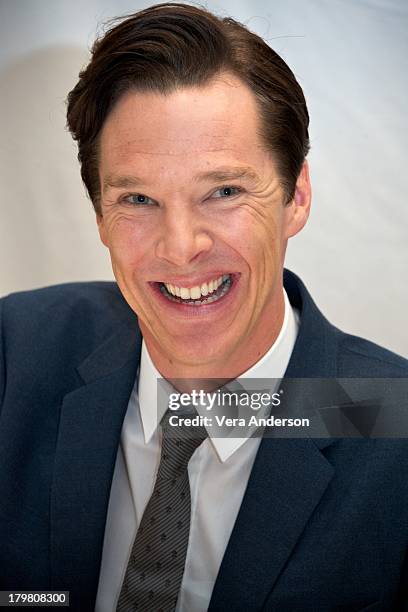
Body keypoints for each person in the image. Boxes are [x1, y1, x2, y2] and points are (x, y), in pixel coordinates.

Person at [0, 3, 407, 611]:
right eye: (138, 198)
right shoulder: (17, 351)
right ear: (100, 216)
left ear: (296, 196)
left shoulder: (389, 422)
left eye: (223, 191)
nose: (181, 247)